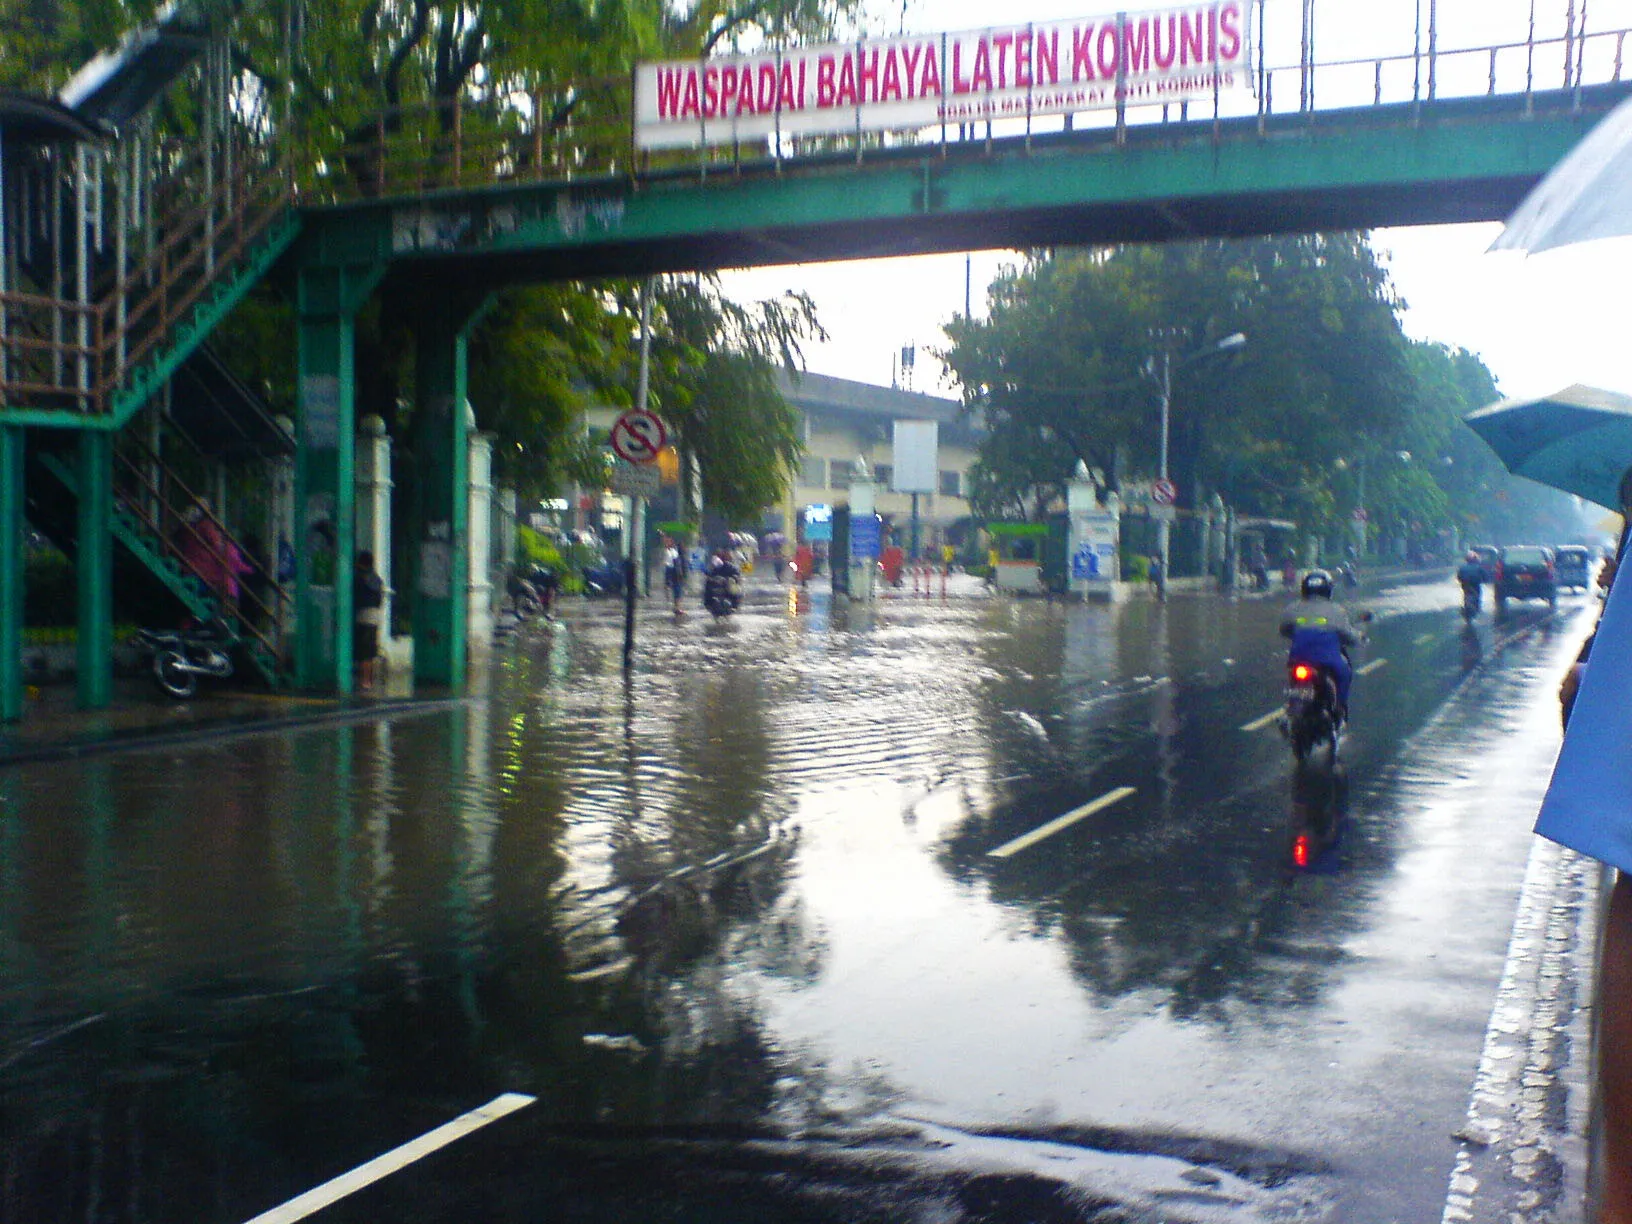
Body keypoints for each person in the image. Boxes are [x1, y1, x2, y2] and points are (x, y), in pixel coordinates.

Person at [1279, 569, 1362, 722]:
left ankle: (1290, 710)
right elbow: (1349, 635)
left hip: (1297, 659)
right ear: (1328, 590)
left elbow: (1284, 630)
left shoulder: (1292, 609)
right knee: (1346, 673)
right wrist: (1359, 638)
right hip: (1329, 661)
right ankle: (1339, 709)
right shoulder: (1336, 611)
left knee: (1292, 677)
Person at [353, 551, 384, 691]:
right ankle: (368, 680)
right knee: (370, 650)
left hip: (363, 615)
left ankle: (364, 680)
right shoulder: (376, 578)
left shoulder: (360, 577)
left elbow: (356, 597)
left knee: (363, 650)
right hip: (375, 616)